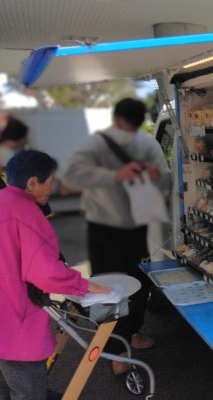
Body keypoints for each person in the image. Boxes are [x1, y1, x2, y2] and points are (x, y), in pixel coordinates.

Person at [59, 98, 170, 375]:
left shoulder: (143, 144)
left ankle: (131, 334)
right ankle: (116, 349)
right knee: (115, 286)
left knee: (134, 282)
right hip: (111, 228)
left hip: (125, 228)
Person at [0, 150, 111, 400]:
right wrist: (83, 285)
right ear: (32, 183)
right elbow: (45, 271)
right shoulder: (26, 212)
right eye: (51, 180)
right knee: (29, 392)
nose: (54, 187)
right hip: (17, 325)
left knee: (6, 389)